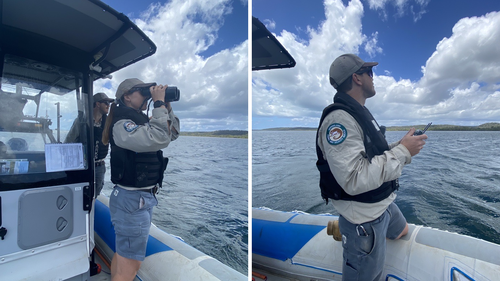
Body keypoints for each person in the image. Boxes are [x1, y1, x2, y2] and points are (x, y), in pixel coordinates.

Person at [316, 54, 427, 281]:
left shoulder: (359, 112)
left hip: (382, 204)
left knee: (402, 231)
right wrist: (404, 152)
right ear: (357, 78)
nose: (373, 78)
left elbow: (374, 153)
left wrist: (402, 145)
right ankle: (349, 235)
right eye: (370, 73)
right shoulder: (339, 121)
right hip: (364, 219)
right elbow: (354, 179)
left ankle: (344, 230)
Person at [101, 78, 179, 281]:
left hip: (137, 200)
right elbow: (161, 138)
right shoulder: (122, 124)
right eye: (142, 91)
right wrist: (159, 104)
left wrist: (167, 107)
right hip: (132, 202)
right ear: (127, 96)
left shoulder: (138, 120)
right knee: (130, 267)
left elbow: (172, 134)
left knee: (124, 257)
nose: (147, 95)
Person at [65, 92, 114, 196]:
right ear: (97, 104)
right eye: (106, 103)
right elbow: (69, 142)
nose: (108, 106)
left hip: (100, 166)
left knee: (95, 194)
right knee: (80, 194)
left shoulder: (108, 122)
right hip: (82, 166)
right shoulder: (81, 122)